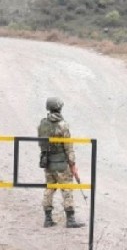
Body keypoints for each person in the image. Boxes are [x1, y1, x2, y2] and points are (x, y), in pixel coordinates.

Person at [38, 96, 85, 228]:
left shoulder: (42, 124)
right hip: (61, 163)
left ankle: (48, 219)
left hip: (48, 162)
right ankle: (70, 220)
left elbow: (41, 143)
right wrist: (73, 165)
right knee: (67, 189)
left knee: (49, 189)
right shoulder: (63, 125)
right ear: (59, 108)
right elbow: (68, 147)